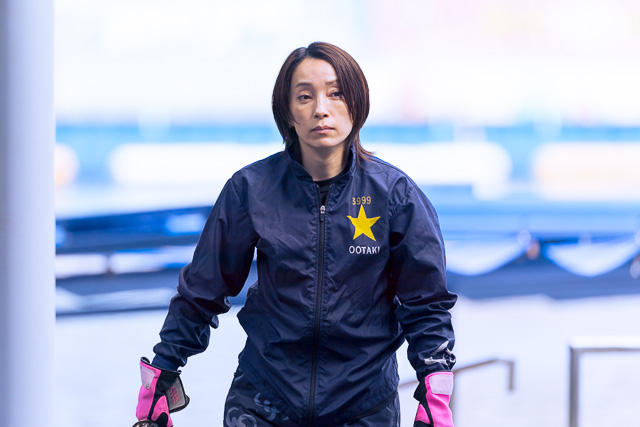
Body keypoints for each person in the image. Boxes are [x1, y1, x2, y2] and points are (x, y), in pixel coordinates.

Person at [135, 42, 457, 427]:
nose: (321, 108)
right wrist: (163, 372)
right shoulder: (250, 189)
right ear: (288, 112)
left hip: (364, 405)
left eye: (336, 93)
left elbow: (426, 304)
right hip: (263, 400)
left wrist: (435, 391)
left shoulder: (396, 195)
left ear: (357, 103)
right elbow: (203, 290)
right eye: (305, 96)